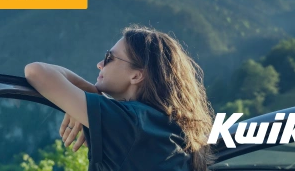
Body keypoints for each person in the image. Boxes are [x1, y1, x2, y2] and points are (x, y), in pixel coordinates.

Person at [24, 25, 214, 171]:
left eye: (109, 58)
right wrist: (90, 99)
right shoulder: (169, 127)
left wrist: (90, 94)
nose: (100, 64)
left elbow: (36, 72)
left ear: (137, 75)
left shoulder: (130, 122)